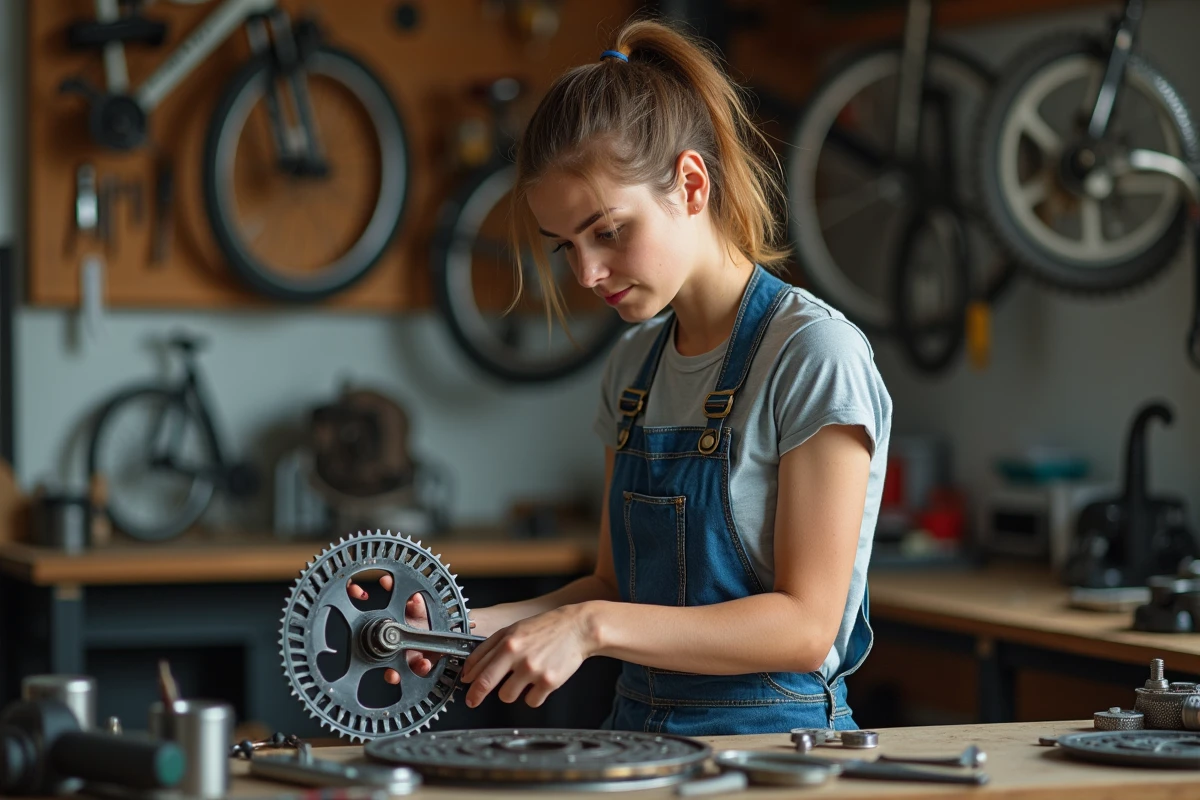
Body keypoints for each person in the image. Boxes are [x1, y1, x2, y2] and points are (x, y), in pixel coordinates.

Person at [351, 16, 892, 736]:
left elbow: (804, 627)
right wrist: (456, 627)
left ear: (691, 184)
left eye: (607, 231)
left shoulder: (813, 355)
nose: (586, 273)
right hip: (636, 741)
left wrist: (590, 627)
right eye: (564, 246)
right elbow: (612, 584)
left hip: (777, 749)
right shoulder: (634, 365)